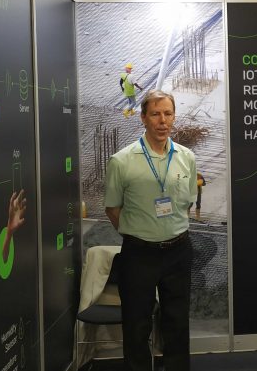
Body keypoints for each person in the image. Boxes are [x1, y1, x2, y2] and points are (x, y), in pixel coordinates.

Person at [104, 89, 197, 371]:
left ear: (174, 117)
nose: (162, 121)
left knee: (177, 322)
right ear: (143, 118)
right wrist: (138, 233)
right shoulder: (122, 161)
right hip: (139, 254)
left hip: (178, 251)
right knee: (136, 325)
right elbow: (112, 209)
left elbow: (187, 204)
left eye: (168, 113)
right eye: (155, 114)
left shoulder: (186, 157)